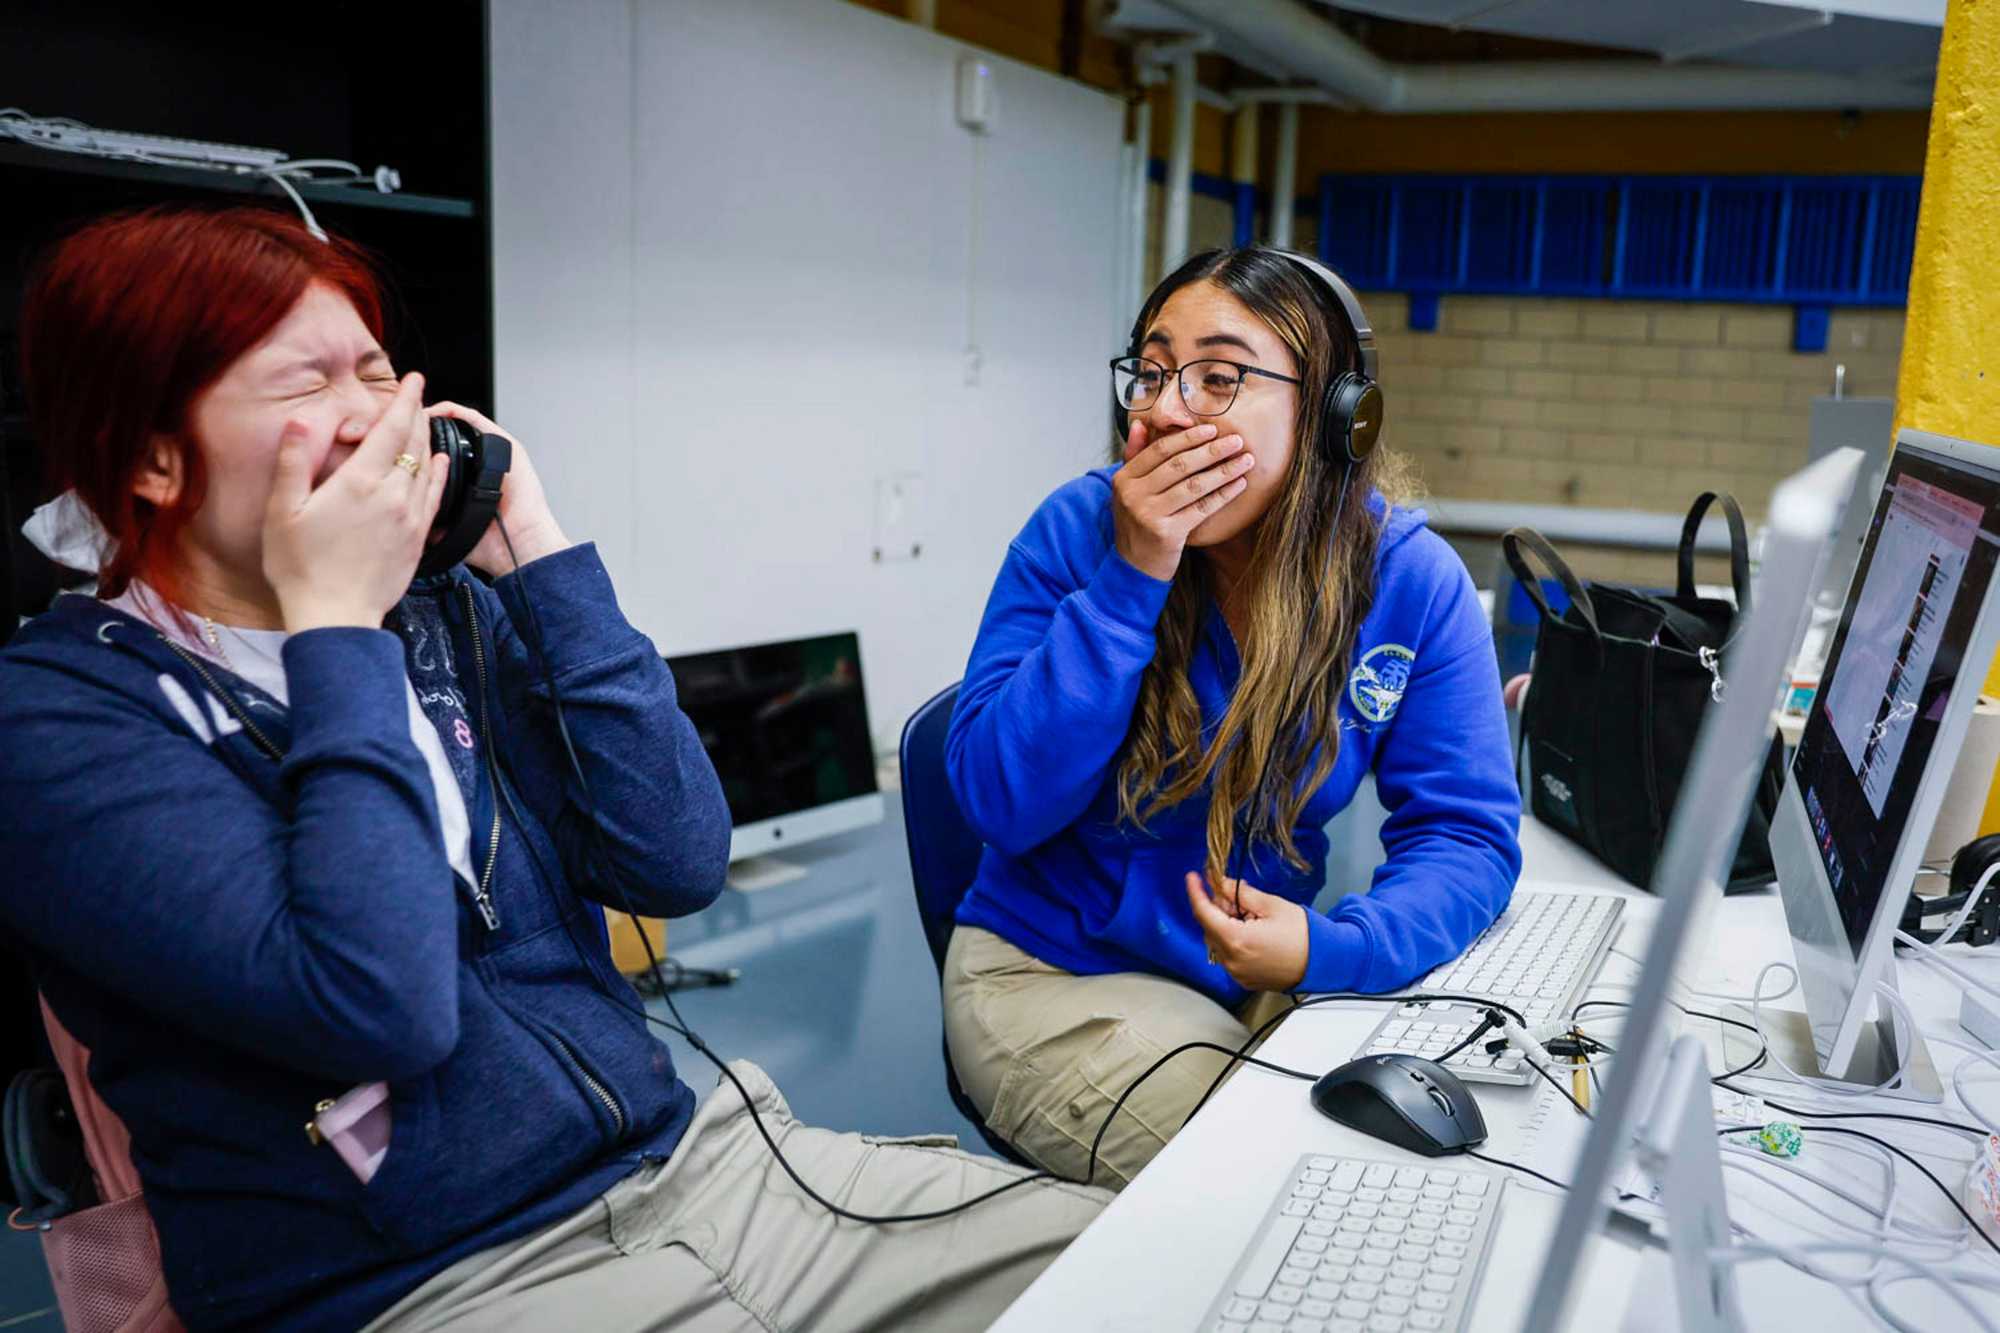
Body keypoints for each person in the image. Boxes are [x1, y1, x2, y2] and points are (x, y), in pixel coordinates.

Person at [0, 205, 1103, 1333]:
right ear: (150, 453)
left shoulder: (444, 614)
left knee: (1151, 1270)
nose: (370, 418)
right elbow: (377, 1008)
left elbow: (674, 856)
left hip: (711, 1166)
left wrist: (539, 548)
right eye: (302, 383)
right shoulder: (59, 720)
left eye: (379, 372)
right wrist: (334, 625)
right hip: (439, 1281)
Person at [940, 247, 1523, 1188]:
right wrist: (1134, 575)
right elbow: (1000, 800)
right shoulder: (1078, 532)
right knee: (1270, 1176)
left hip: (1248, 984)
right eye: (1155, 372)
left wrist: (1334, 947)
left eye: (1217, 377)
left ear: (1334, 413)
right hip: (1047, 977)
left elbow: (1465, 835)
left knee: (1438, 1159)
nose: (1165, 409)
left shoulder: (1412, 579)